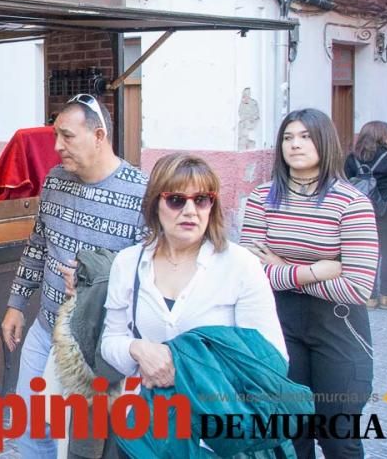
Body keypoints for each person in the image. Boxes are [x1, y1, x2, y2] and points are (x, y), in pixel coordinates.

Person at [1, 94, 148, 458]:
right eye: (55, 135)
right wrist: (16, 304)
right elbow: (37, 245)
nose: (56, 147)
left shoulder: (141, 193)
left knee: (88, 445)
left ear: (99, 136)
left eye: (67, 137)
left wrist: (97, 283)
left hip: (99, 342)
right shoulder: (54, 181)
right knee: (30, 428)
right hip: (45, 327)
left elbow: (146, 274)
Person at [241, 108, 378, 459]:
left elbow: (357, 286)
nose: (295, 145)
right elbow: (249, 270)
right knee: (291, 434)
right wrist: (316, 270)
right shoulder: (262, 197)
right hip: (279, 326)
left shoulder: (352, 202)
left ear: (324, 142)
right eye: (288, 137)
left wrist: (283, 269)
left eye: (305, 136)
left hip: (340, 327)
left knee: (338, 436)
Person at [102, 153, 287, 387]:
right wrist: (136, 348)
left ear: (212, 206)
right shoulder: (128, 262)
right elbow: (111, 341)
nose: (190, 211)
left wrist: (184, 366)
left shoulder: (240, 265)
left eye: (201, 199)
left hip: (216, 411)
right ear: (155, 204)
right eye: (176, 200)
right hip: (148, 413)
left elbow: (271, 358)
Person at [344, 119, 387, 309]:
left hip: (359, 210)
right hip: (386, 210)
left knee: (365, 252)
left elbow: (343, 182)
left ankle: (368, 297)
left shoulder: (351, 158)